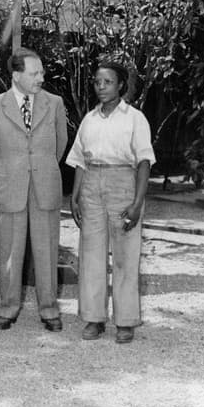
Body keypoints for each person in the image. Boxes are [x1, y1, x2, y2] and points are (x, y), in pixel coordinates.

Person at [0, 48, 68, 332]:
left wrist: (40, 167)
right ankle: (8, 308)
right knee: (10, 252)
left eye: (41, 72)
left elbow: (60, 145)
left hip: (45, 186)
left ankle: (49, 309)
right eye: (34, 73)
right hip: (9, 186)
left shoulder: (54, 103)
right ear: (16, 75)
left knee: (47, 251)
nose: (41, 77)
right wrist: (5, 173)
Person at [66, 61, 155, 344]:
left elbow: (143, 162)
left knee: (125, 256)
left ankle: (125, 321)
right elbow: (79, 160)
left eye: (107, 82)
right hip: (91, 185)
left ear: (120, 85)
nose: (101, 87)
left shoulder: (134, 118)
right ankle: (94, 318)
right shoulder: (89, 119)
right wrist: (75, 196)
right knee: (91, 254)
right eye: (96, 82)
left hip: (123, 184)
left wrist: (138, 202)